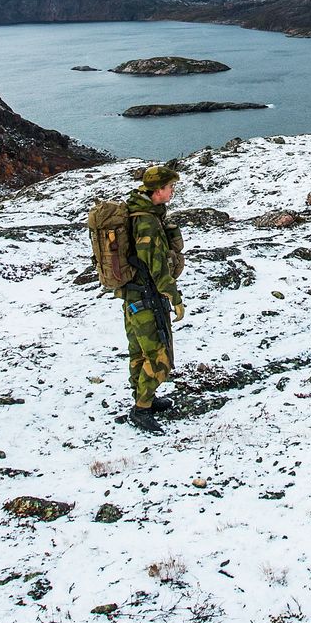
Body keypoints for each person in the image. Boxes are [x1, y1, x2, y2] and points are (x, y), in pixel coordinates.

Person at [122, 164, 185, 433]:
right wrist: (174, 297)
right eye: (170, 187)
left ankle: (143, 398)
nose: (173, 191)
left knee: (139, 352)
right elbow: (156, 266)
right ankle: (141, 409)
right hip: (147, 297)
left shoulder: (140, 211)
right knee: (160, 357)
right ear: (158, 190)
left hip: (133, 296)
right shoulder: (146, 221)